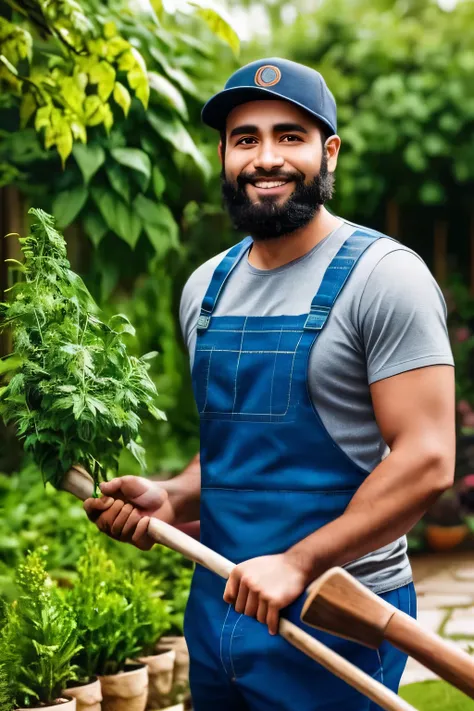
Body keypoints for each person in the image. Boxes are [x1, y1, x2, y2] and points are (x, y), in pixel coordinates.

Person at [84, 58, 456, 710]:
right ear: (225, 155)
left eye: (290, 136)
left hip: (339, 613)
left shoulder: (386, 278)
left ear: (328, 152)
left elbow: (426, 459)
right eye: (246, 138)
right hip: (221, 602)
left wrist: (299, 561)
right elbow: (241, 442)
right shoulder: (206, 286)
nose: (266, 158)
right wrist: (171, 496)